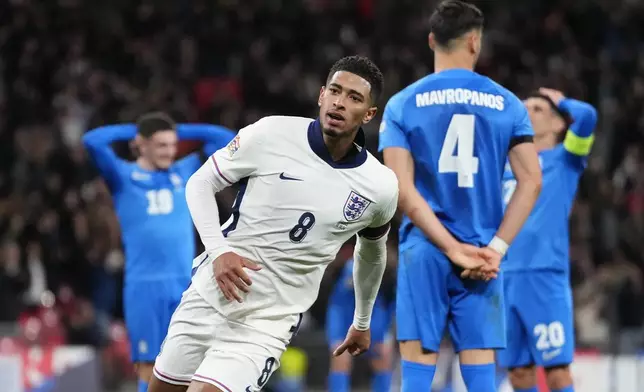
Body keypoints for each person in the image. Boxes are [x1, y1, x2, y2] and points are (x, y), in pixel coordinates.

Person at [148, 55, 399, 392]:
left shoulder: (379, 186)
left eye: (354, 98)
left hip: (266, 323)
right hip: (208, 295)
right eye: (335, 91)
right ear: (321, 94)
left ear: (369, 114)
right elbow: (200, 183)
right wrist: (219, 251)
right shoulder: (271, 133)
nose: (340, 103)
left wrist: (363, 320)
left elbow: (371, 254)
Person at [378, 1, 543, 391]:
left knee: (417, 372)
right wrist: (496, 249)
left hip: (424, 249)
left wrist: (449, 247)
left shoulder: (402, 104)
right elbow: (532, 180)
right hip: (482, 253)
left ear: (432, 40)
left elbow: (401, 189)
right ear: (474, 41)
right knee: (481, 374)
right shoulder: (508, 104)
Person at [82, 114, 234, 392]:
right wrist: (137, 129)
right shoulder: (123, 176)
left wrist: (178, 128)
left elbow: (224, 138)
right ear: (142, 145)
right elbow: (92, 141)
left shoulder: (184, 170)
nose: (170, 151)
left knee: (186, 367)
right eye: (162, 145)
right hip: (144, 286)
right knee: (148, 368)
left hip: (185, 284)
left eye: (173, 144)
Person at [496, 88, 597, 392]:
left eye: (537, 109)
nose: (527, 111)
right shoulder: (505, 164)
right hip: (503, 277)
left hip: (544, 276)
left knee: (556, 373)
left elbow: (588, 116)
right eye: (524, 107)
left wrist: (561, 101)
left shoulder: (567, 158)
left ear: (557, 124)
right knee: (519, 374)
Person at [326, 258, 395, 392]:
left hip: (373, 327)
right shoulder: (345, 283)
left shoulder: (381, 287)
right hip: (344, 327)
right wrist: (335, 338)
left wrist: (384, 338)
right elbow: (336, 310)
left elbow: (382, 311)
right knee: (340, 359)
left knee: (382, 358)